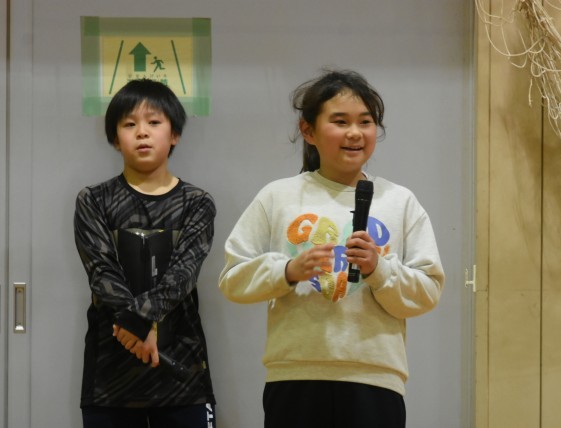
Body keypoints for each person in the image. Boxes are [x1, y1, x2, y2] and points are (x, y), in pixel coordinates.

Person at [218, 69, 445, 428]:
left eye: (365, 122)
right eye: (340, 121)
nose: (355, 133)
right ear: (308, 131)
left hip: (375, 379)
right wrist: (287, 271)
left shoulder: (400, 201)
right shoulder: (278, 196)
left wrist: (379, 269)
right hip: (295, 376)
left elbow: (428, 290)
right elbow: (232, 279)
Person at [74, 79, 217, 428]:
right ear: (114, 138)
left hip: (181, 372)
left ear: (174, 134)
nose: (142, 132)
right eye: (129, 124)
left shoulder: (197, 203)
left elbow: (183, 274)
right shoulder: (93, 200)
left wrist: (138, 322)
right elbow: (102, 273)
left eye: (154, 122)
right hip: (110, 376)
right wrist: (138, 326)